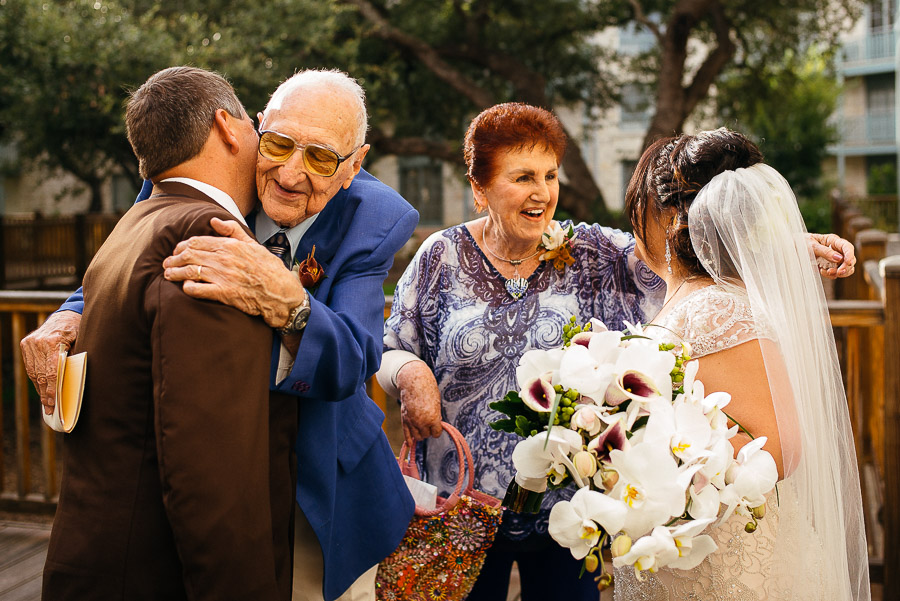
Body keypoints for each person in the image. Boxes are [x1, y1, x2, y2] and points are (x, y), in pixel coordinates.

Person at [376, 104, 859, 601]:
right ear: (480, 188)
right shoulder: (439, 255)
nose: (541, 192)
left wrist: (785, 246)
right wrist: (410, 371)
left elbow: (682, 245)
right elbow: (391, 347)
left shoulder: (589, 252)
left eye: (549, 175)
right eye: (522, 177)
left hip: (571, 510)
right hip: (461, 504)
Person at [23, 69, 417, 601]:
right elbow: (138, 249)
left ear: (354, 165)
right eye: (278, 144)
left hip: (324, 469)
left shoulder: (375, 218)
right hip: (221, 466)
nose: (291, 173)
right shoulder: (211, 171)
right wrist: (69, 314)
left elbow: (354, 358)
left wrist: (293, 306)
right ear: (253, 130)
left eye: (321, 158)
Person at [41, 66, 296, 600]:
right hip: (155, 576)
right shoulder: (205, 236)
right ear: (228, 127)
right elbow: (211, 461)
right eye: (256, 126)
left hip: (94, 557)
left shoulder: (134, 224)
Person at [614, 128, 869, 600]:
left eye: (639, 209)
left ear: (668, 216)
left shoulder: (719, 308)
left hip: (722, 565)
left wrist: (662, 468)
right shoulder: (702, 301)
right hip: (679, 554)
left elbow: (783, 447)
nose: (631, 227)